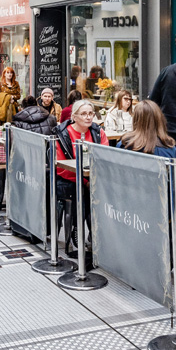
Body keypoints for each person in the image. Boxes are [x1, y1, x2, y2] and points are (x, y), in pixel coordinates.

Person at [55, 100, 108, 247]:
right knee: (83, 194)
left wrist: (94, 180)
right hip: (70, 178)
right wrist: (85, 182)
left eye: (91, 113)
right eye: (84, 114)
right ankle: (76, 230)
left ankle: (99, 234)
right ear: (74, 116)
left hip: (94, 178)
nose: (88, 117)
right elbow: (61, 168)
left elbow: (105, 158)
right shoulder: (63, 134)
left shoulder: (98, 133)